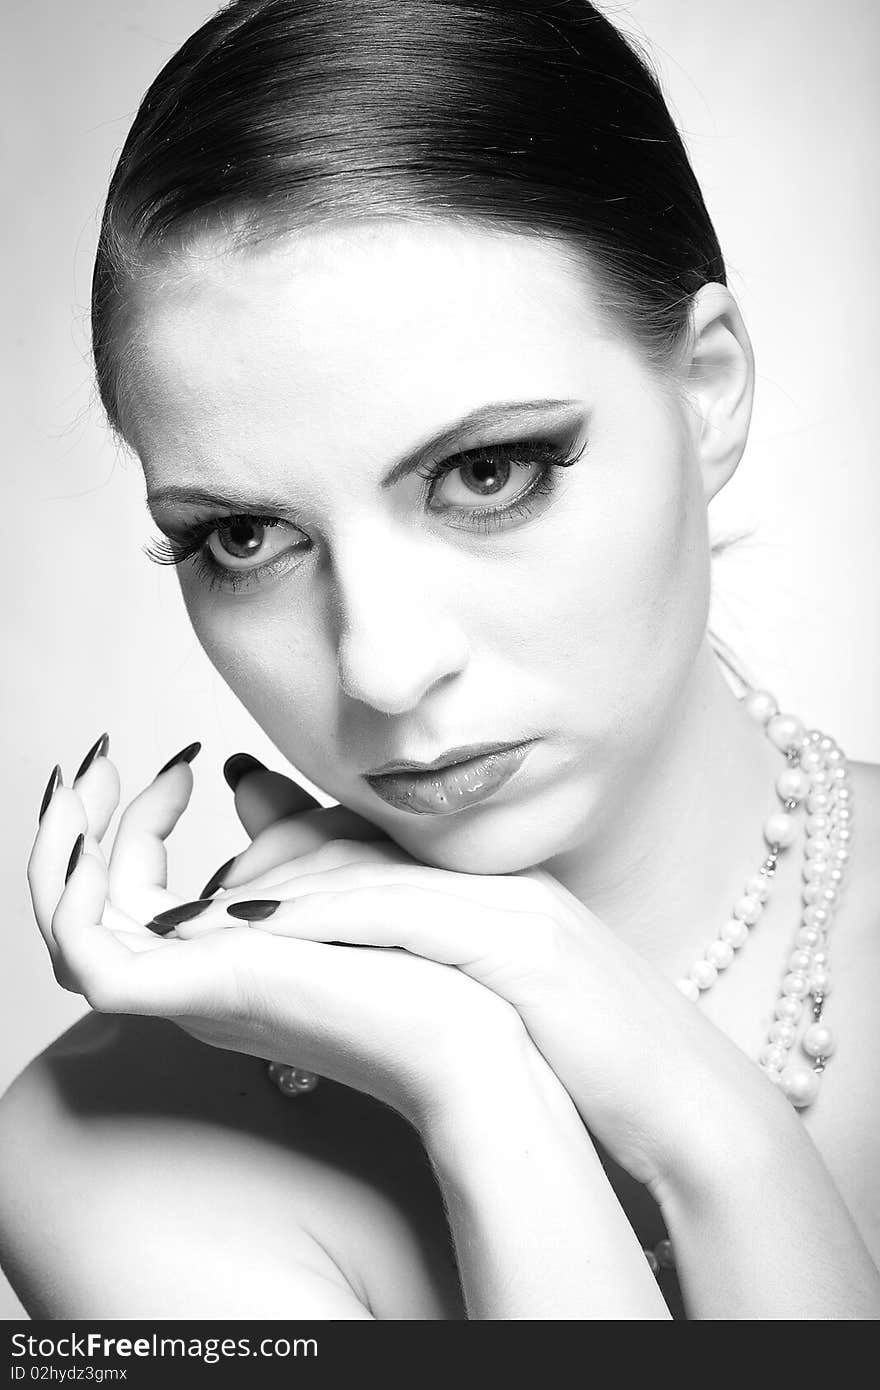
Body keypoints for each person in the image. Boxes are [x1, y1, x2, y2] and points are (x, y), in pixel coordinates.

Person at [1, 0, 878, 1321]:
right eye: (246, 535)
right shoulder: (97, 1146)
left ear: (707, 392)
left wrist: (708, 1123)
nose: (385, 667)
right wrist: (477, 1073)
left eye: (485, 472)